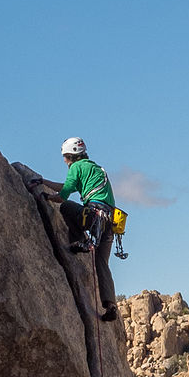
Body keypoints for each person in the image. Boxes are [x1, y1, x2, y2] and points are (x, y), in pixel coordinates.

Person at [45, 136, 118, 321]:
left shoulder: (76, 167)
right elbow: (66, 186)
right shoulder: (95, 169)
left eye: (65, 157)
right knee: (102, 262)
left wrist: (47, 198)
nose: (64, 161)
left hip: (93, 217)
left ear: (71, 156)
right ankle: (110, 306)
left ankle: (80, 242)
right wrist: (44, 181)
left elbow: (63, 196)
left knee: (67, 207)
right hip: (109, 223)